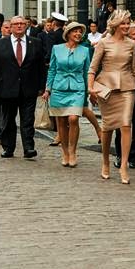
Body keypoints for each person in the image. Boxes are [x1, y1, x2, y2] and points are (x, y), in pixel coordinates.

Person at [89, 10, 135, 184]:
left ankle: (123, 165)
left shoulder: (132, 43)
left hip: (127, 88)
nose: (126, 26)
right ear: (115, 25)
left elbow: (134, 69)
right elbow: (93, 68)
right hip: (107, 88)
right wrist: (90, 88)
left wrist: (134, 84)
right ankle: (105, 161)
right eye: (123, 23)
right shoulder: (103, 42)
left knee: (126, 124)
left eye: (128, 23)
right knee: (107, 127)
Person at [0, 16, 44, 159]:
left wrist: (42, 86)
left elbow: (41, 66)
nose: (19, 26)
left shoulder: (35, 43)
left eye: (22, 24)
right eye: (16, 24)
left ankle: (29, 147)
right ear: (10, 27)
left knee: (28, 119)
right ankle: (8, 147)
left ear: (26, 26)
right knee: (8, 120)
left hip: (28, 88)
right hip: (6, 87)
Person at [44, 22, 90, 168]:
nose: (78, 34)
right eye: (75, 31)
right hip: (59, 88)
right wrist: (48, 89)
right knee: (62, 121)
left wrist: (89, 90)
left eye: (80, 32)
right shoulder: (57, 49)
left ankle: (73, 151)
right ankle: (65, 152)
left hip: (77, 88)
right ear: (68, 34)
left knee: (73, 118)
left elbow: (87, 71)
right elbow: (52, 69)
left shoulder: (85, 50)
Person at [113, 20, 135, 169]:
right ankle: (121, 155)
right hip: (124, 92)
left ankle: (134, 157)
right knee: (122, 125)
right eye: (134, 34)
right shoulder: (121, 50)